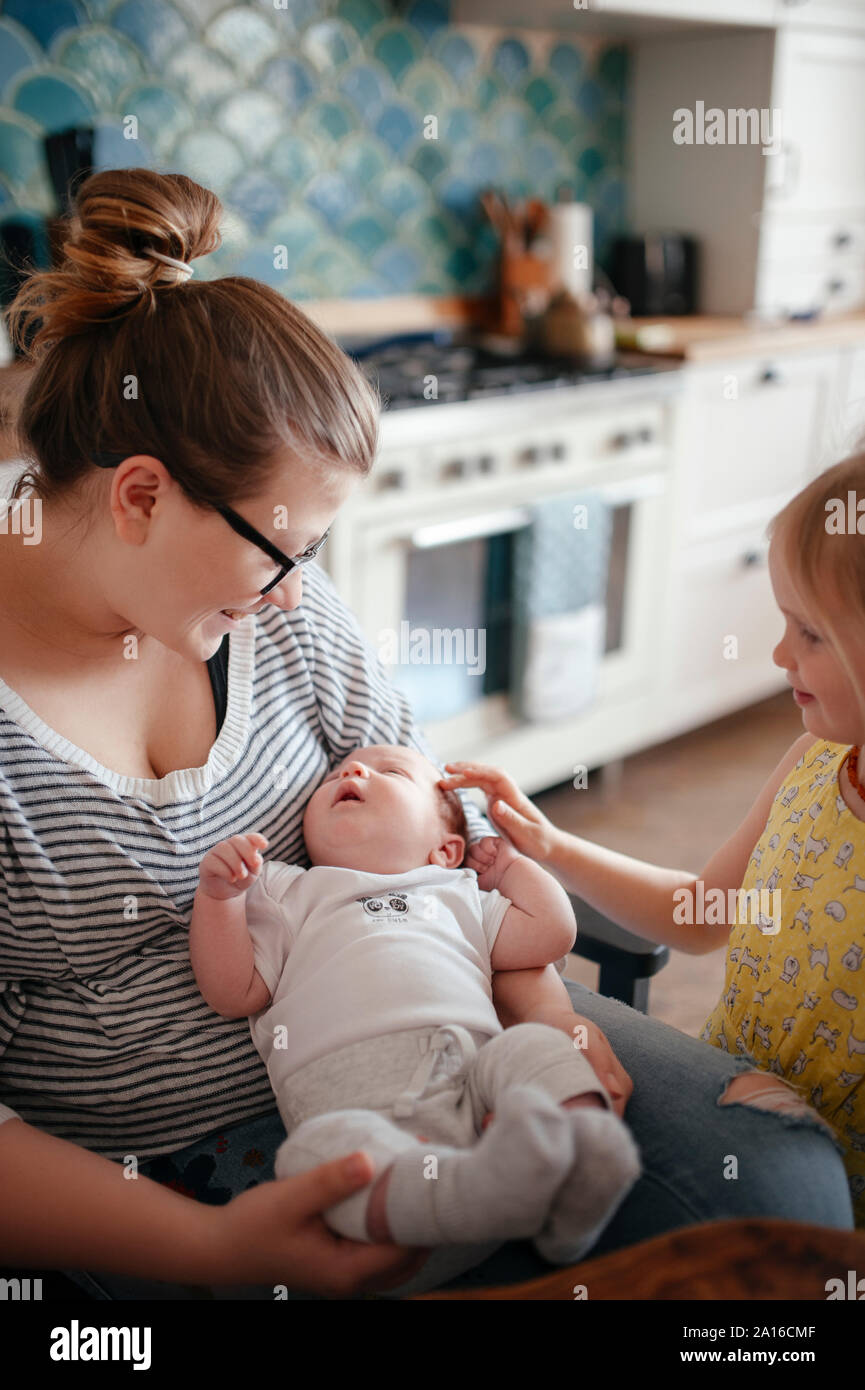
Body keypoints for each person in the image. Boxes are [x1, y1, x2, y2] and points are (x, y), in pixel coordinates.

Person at [0, 168, 852, 1302]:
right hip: (144, 1181)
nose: (302, 597)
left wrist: (537, 1008)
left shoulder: (263, 603)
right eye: (283, 554)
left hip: (443, 1015)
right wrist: (209, 1246)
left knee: (782, 1197)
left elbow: (449, 820)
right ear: (142, 497)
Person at [441, 455, 865, 1232]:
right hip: (733, 1104)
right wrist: (553, 845)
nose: (778, 655)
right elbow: (701, 914)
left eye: (809, 632)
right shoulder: (815, 763)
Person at [189, 742, 641, 1295]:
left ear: (447, 849)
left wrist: (513, 868)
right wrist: (220, 900)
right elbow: (233, 991)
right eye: (338, 774)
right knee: (314, 1153)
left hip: (477, 1088)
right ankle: (469, 1194)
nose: (353, 770)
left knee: (532, 1050)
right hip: (364, 1141)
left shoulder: (457, 894)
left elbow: (551, 932)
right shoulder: (290, 890)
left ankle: (579, 1167)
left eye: (392, 772)